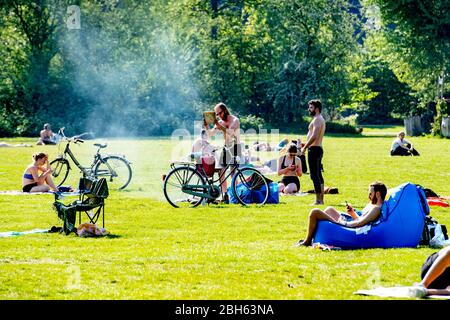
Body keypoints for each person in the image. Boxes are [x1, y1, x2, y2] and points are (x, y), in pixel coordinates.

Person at [296, 181, 387, 247]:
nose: (369, 197)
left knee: (315, 212)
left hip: (350, 227)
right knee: (329, 209)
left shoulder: (376, 209)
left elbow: (361, 224)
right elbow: (360, 219)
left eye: (371, 194)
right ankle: (312, 238)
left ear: (378, 194)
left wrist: (343, 223)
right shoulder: (372, 205)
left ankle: (307, 241)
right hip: (351, 223)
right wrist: (352, 213)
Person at [203, 102, 240, 203]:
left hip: (235, 147)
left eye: (219, 113)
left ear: (224, 111)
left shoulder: (235, 120)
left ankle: (236, 195)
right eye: (216, 114)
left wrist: (218, 124)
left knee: (233, 173)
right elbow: (210, 134)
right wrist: (206, 126)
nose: (218, 116)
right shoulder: (221, 122)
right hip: (226, 148)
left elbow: (230, 132)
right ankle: (225, 195)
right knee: (221, 172)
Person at [300, 100, 326, 205]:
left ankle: (318, 200)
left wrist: (305, 147)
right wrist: (305, 144)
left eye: (311, 107)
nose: (309, 109)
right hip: (317, 148)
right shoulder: (319, 119)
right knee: (318, 175)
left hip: (314, 150)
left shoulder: (317, 119)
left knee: (314, 175)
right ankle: (321, 200)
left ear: (317, 109)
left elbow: (314, 136)